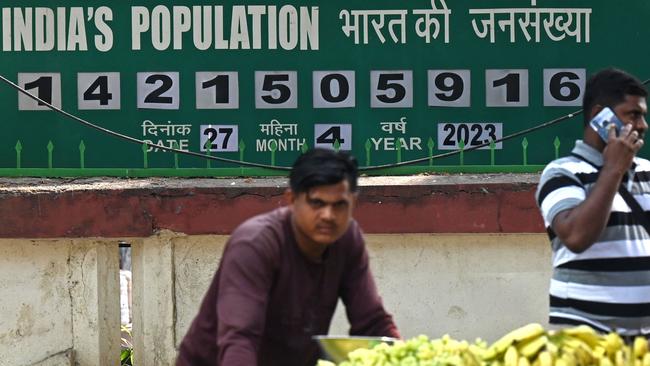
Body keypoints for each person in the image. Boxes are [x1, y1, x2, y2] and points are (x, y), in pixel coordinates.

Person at [177, 148, 400, 366]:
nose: (328, 216)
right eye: (317, 203)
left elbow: (372, 323)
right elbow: (240, 339)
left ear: (353, 203)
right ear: (291, 199)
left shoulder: (347, 239)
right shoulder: (256, 244)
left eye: (339, 205)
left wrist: (408, 356)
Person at [536, 68, 650, 336]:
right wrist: (613, 171)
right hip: (586, 338)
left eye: (643, 115)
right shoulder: (562, 173)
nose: (643, 125)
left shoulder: (647, 171)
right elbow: (575, 236)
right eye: (633, 114)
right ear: (601, 116)